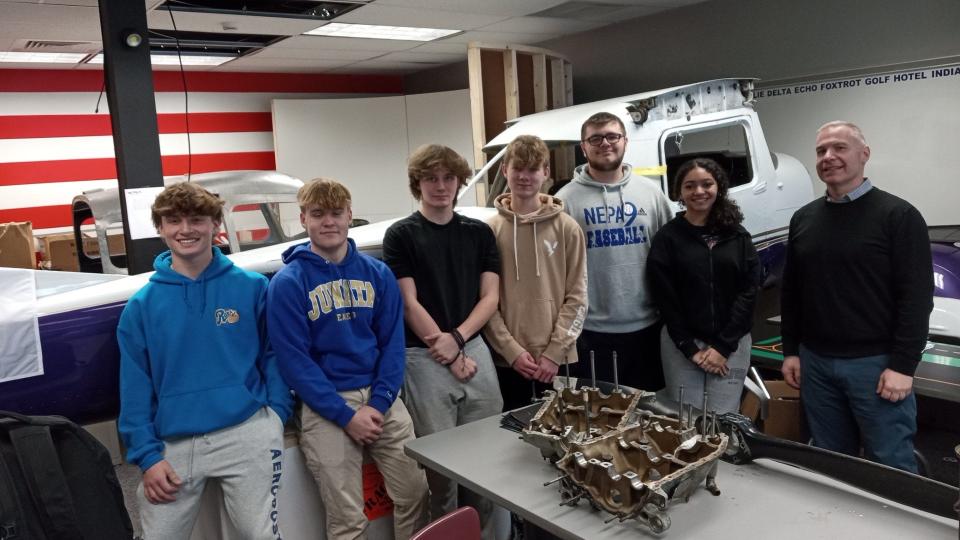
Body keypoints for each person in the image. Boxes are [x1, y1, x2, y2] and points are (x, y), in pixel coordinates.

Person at [118, 182, 292, 540]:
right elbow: (134, 389)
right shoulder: (141, 307)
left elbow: (273, 355)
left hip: (248, 433)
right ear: (160, 229)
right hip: (174, 446)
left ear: (216, 225)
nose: (185, 230)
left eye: (197, 219)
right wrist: (147, 457)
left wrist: (276, 414)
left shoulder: (252, 287)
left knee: (261, 536)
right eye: (173, 221)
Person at [266, 179, 428, 539]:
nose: (328, 222)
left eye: (336, 213)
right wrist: (345, 416)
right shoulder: (288, 283)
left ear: (350, 216)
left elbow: (391, 344)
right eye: (318, 214)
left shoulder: (377, 273)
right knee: (347, 518)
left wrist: (380, 402)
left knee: (415, 493)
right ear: (303, 218)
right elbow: (295, 362)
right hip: (326, 404)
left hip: (380, 396)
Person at [780, 121, 933, 472]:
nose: (829, 157)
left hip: (877, 366)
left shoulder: (899, 216)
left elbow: (916, 298)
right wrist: (791, 351)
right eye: (821, 151)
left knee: (890, 462)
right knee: (831, 462)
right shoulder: (804, 219)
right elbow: (793, 292)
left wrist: (902, 366)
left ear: (864, 155)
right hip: (815, 363)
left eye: (839, 148)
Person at [382, 144, 503, 538]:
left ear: (460, 182)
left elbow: (490, 298)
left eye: (448, 177)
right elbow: (407, 302)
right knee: (442, 470)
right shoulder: (401, 235)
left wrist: (459, 340)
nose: (440, 186)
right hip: (423, 356)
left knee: (485, 460)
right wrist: (449, 353)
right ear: (417, 184)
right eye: (430, 178)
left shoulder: (479, 233)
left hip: (473, 347)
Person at [555, 112, 674, 391]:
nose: (605, 143)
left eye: (612, 136)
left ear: (625, 141)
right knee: (599, 418)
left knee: (648, 415)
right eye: (595, 138)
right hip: (590, 332)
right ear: (583, 147)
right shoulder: (564, 201)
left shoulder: (651, 194)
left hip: (648, 328)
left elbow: (672, 256)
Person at [483, 134, 588, 410]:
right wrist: (511, 351)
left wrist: (554, 353)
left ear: (546, 172)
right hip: (507, 361)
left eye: (532, 169)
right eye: (518, 168)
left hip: (559, 361)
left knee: (562, 439)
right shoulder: (489, 232)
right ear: (505, 170)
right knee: (509, 441)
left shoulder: (568, 229)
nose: (524, 177)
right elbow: (485, 302)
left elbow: (577, 297)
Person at [648, 158, 760, 414]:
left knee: (722, 422)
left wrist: (722, 347)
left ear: (718, 187)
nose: (699, 191)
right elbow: (665, 298)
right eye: (690, 186)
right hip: (682, 347)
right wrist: (690, 349)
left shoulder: (738, 236)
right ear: (679, 192)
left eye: (706, 184)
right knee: (684, 424)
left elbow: (749, 292)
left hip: (731, 346)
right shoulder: (668, 238)